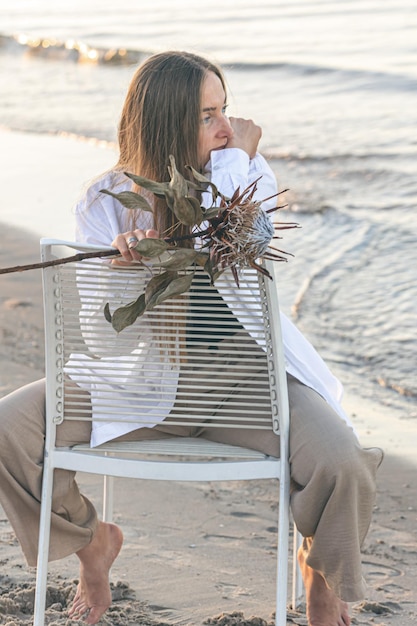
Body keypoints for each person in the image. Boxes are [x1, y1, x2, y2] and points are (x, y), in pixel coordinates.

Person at [0, 51, 383, 626]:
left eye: (225, 109)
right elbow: (102, 343)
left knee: (342, 464)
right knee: (9, 431)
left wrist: (232, 161)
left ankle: (323, 578)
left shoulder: (246, 175)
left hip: (247, 385)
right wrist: (118, 274)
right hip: (140, 387)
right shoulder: (105, 201)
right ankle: (93, 544)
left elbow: (241, 243)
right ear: (165, 123)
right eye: (208, 116)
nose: (228, 128)